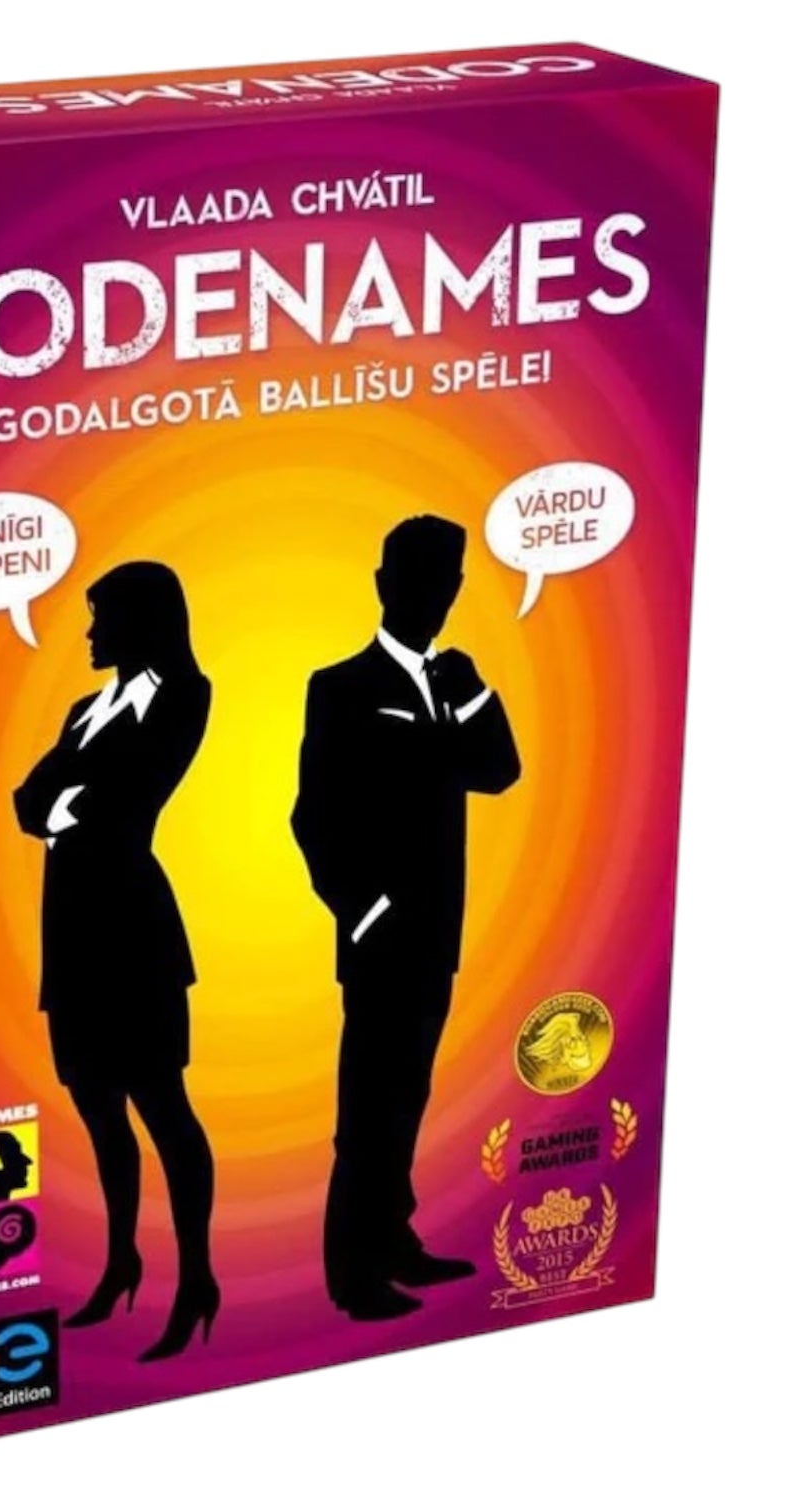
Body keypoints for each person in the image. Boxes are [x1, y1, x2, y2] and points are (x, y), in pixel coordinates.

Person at [291, 516, 521, 1322]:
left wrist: (476, 690)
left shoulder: (453, 685)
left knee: (407, 1098)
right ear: (384, 584)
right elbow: (312, 815)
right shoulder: (340, 686)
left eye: (447, 581)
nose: (434, 595)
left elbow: (499, 772)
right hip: (379, 939)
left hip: (435, 938)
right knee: (368, 1109)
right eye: (419, 578)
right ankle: (352, 1276)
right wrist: (363, 910)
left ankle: (393, 1240)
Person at [14, 561, 219, 1362]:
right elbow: (28, 801)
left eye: (102, 617)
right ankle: (122, 1259)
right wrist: (67, 804)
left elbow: (125, 798)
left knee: (163, 1107)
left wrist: (66, 803)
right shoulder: (84, 710)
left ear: (142, 621)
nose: (91, 633)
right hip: (71, 934)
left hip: (134, 935)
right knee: (99, 1110)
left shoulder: (184, 695)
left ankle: (196, 1277)